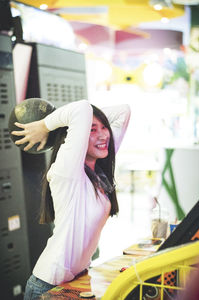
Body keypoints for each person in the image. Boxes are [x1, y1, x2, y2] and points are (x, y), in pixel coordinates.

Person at [11, 99, 131, 299]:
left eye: (104, 127)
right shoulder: (68, 172)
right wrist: (45, 125)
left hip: (76, 280)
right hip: (48, 286)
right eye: (91, 130)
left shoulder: (96, 171)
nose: (103, 135)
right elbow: (81, 108)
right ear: (77, 136)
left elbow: (123, 110)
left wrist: (91, 122)